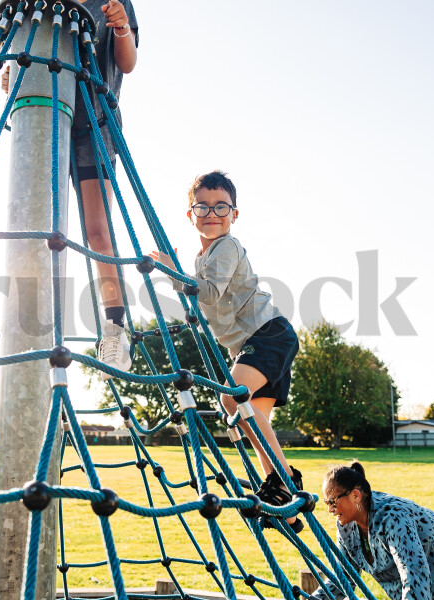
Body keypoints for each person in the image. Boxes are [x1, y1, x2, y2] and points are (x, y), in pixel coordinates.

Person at [150, 170, 304, 532]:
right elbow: (198, 295)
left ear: (235, 214)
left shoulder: (228, 247)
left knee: (232, 400)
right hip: (252, 344)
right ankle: (289, 506)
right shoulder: (202, 259)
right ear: (190, 215)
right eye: (202, 207)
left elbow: (206, 294)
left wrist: (171, 270)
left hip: (266, 335)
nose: (212, 214)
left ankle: (285, 478)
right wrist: (178, 271)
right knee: (256, 425)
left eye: (221, 207)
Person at [1, 0, 138, 379]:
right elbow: (12, 52)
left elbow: (126, 63)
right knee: (35, 230)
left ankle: (114, 328)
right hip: (43, 119)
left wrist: (122, 27)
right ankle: (28, 328)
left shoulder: (110, 2)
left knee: (98, 231)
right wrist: (11, 69)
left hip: (93, 123)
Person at [318, 461, 434, 600]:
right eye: (327, 503)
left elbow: (414, 574)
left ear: (355, 495)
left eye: (333, 502)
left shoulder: (393, 517)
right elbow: (343, 579)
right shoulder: (346, 528)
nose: (330, 510)